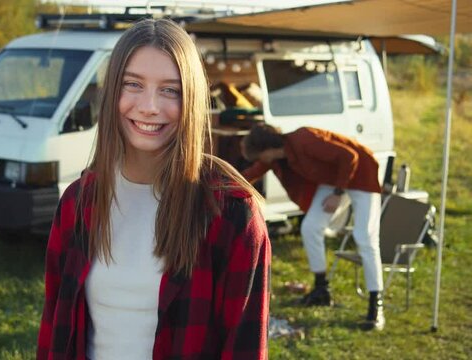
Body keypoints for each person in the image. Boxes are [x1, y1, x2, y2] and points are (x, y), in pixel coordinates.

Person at [36, 19, 271, 360]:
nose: (149, 106)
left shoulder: (232, 214)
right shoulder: (78, 201)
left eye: (170, 90)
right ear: (112, 90)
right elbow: (53, 329)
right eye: (133, 84)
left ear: (191, 99)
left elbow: (245, 350)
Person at [241, 123, 385, 331]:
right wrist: (221, 185)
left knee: (365, 238)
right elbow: (251, 173)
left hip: (362, 174)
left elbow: (349, 157)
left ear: (267, 149)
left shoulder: (303, 140)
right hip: (334, 178)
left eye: (258, 155)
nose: (258, 160)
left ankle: (375, 305)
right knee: (310, 227)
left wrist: (337, 193)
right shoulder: (277, 158)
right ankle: (321, 290)